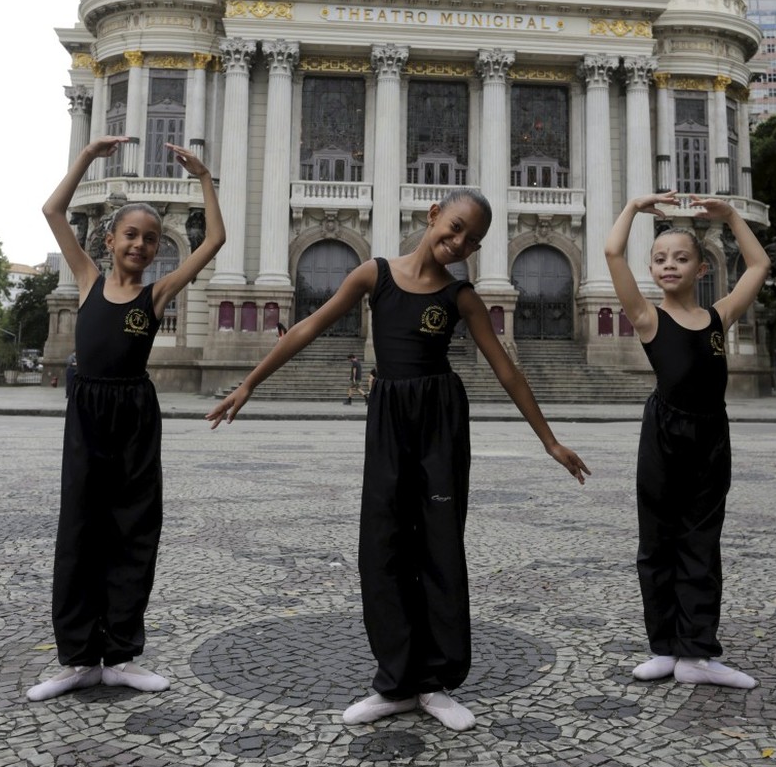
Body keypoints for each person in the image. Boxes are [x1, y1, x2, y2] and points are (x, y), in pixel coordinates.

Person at [206, 189, 590, 731]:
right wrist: (248, 384)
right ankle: (396, 680)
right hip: (388, 416)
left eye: (470, 240)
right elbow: (307, 327)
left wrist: (549, 441)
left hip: (440, 421)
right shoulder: (373, 274)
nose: (457, 242)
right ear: (433, 216)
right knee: (382, 545)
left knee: (438, 545)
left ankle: (434, 683)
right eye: (453, 227)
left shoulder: (461, 296)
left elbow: (506, 369)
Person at [27, 136, 225, 701]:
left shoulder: (157, 295)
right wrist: (86, 159)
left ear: (158, 249)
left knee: (134, 530)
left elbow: (215, 239)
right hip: (87, 413)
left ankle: (120, 654)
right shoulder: (87, 280)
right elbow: (52, 212)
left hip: (135, 414)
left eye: (150, 238)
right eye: (131, 235)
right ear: (109, 240)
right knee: (80, 531)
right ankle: (76, 659)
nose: (140, 244)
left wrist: (205, 179)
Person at [605, 192, 769, 689]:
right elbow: (613, 254)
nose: (668, 265)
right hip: (663, 433)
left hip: (711, 434)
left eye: (680, 258)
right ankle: (664, 647)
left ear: (702, 269)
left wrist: (730, 216)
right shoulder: (649, 317)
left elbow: (758, 264)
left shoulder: (719, 317)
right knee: (657, 542)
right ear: (652, 271)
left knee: (701, 541)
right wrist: (633, 207)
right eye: (659, 260)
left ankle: (696, 655)